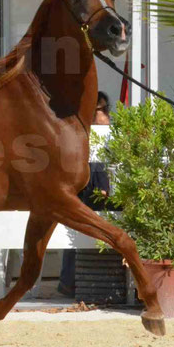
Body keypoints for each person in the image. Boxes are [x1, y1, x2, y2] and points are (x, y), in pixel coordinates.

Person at [57, 91, 112, 297]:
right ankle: (70, 281)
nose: (105, 115)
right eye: (101, 110)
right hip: (83, 192)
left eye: (106, 109)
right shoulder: (78, 133)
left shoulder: (107, 134)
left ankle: (71, 281)